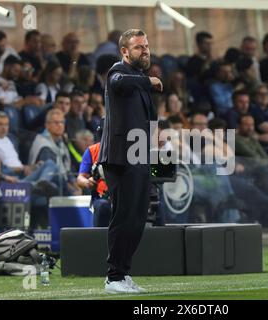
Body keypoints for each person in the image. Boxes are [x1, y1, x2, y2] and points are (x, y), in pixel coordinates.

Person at [98, 29, 162, 294]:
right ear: (125, 51)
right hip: (120, 158)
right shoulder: (118, 71)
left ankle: (122, 274)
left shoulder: (139, 77)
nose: (145, 51)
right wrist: (150, 83)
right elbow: (117, 82)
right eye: (138, 47)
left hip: (138, 156)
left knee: (136, 219)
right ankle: (113, 277)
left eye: (146, 46)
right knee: (124, 217)